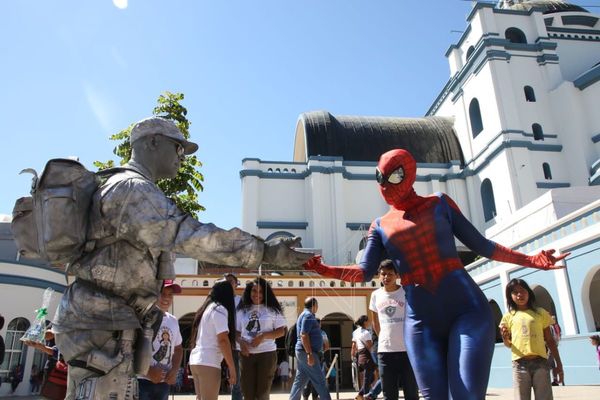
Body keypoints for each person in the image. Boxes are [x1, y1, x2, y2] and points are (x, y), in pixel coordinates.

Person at [50, 117, 313, 399]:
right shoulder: (133, 189)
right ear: (152, 142)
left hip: (104, 321)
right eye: (177, 148)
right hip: (100, 323)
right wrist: (266, 251)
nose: (181, 158)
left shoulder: (128, 187)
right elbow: (189, 234)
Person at [305, 148, 568, 400]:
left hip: (467, 311)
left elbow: (482, 245)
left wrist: (532, 260)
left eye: (394, 176)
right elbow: (363, 272)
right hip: (421, 321)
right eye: (380, 177)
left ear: (410, 174)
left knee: (466, 394)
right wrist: (324, 269)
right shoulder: (380, 226)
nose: (385, 185)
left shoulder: (440, 203)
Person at [500, 278, 563, 400]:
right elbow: (509, 345)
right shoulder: (508, 316)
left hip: (541, 363)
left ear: (528, 292)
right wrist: (505, 338)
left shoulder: (541, 313)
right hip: (519, 365)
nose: (519, 294)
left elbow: (550, 340)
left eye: (522, 290)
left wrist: (559, 364)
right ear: (510, 297)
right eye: (514, 292)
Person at [368, 260, 418, 400]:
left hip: (407, 351)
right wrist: (384, 339)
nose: (386, 277)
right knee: (389, 395)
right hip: (385, 353)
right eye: (383, 274)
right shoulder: (375, 295)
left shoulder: (406, 292)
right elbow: (375, 322)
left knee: (412, 393)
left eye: (390, 274)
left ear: (397, 275)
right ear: (379, 275)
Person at [237, 277, 287, 400]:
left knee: (262, 394)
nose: (257, 294)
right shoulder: (241, 310)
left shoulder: (273, 310)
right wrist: (241, 343)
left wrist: (263, 336)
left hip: (267, 354)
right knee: (247, 392)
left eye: (260, 291)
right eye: (254, 291)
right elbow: (236, 332)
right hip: (246, 355)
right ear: (249, 292)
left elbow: (281, 331)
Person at [189, 280, 237, 400]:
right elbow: (223, 340)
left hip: (196, 359)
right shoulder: (219, 310)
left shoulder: (207, 308)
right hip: (209, 361)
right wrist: (232, 367)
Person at [137, 279, 183, 400]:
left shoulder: (173, 321)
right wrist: (148, 371)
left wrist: (174, 370)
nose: (166, 298)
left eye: (170, 295)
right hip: (141, 381)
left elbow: (178, 349)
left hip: (164, 383)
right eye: (162, 294)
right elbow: (130, 349)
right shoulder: (142, 319)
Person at [289, 298, 331, 400]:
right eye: (317, 305)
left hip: (303, 352)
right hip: (307, 352)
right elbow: (304, 335)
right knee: (320, 380)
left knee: (300, 380)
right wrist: (309, 354)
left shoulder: (305, 315)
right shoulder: (308, 316)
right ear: (314, 305)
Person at [224, 273, 244, 400]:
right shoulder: (220, 301)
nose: (228, 283)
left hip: (241, 345)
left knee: (241, 379)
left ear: (236, 284)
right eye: (226, 281)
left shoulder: (242, 301)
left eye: (231, 281)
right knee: (235, 379)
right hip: (227, 344)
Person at [303, 319, 330, 400]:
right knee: (317, 377)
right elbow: (327, 346)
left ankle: (305, 396)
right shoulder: (322, 333)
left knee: (308, 377)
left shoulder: (308, 332)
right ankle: (315, 396)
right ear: (320, 324)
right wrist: (321, 351)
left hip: (308, 356)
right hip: (318, 357)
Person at [351, 315, 376, 400]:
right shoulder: (366, 333)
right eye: (368, 320)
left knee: (370, 378)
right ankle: (365, 396)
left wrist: (352, 355)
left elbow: (354, 345)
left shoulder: (355, 332)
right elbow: (370, 347)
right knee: (367, 378)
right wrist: (375, 355)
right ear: (365, 322)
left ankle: (360, 394)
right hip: (367, 357)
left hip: (360, 357)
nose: (369, 322)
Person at [548, 316, 562, 386]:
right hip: (555, 346)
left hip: (551, 348)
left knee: (547, 364)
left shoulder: (551, 327)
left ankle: (552, 380)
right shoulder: (556, 326)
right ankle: (555, 379)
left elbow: (550, 338)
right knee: (553, 365)